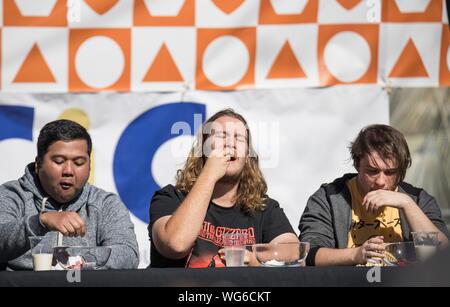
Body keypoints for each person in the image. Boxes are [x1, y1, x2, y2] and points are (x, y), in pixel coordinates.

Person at [149, 109, 298, 268]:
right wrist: (209, 175)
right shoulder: (171, 197)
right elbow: (176, 245)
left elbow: (295, 255)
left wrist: (255, 260)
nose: (230, 143)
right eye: (221, 136)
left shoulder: (264, 208)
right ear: (203, 150)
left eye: (239, 138)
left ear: (247, 156)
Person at [299, 124, 449, 266]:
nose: (381, 182)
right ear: (357, 163)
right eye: (372, 171)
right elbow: (309, 254)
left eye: (390, 172)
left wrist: (407, 204)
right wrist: (355, 254)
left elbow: (440, 255)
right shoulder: (329, 198)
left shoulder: (417, 199)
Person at [0, 119, 139, 270]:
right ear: (38, 163)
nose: (68, 171)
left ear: (90, 166)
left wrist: (75, 259)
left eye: (79, 163)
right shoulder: (12, 195)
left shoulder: (105, 203)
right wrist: (40, 221)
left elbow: (128, 255)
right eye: (59, 161)